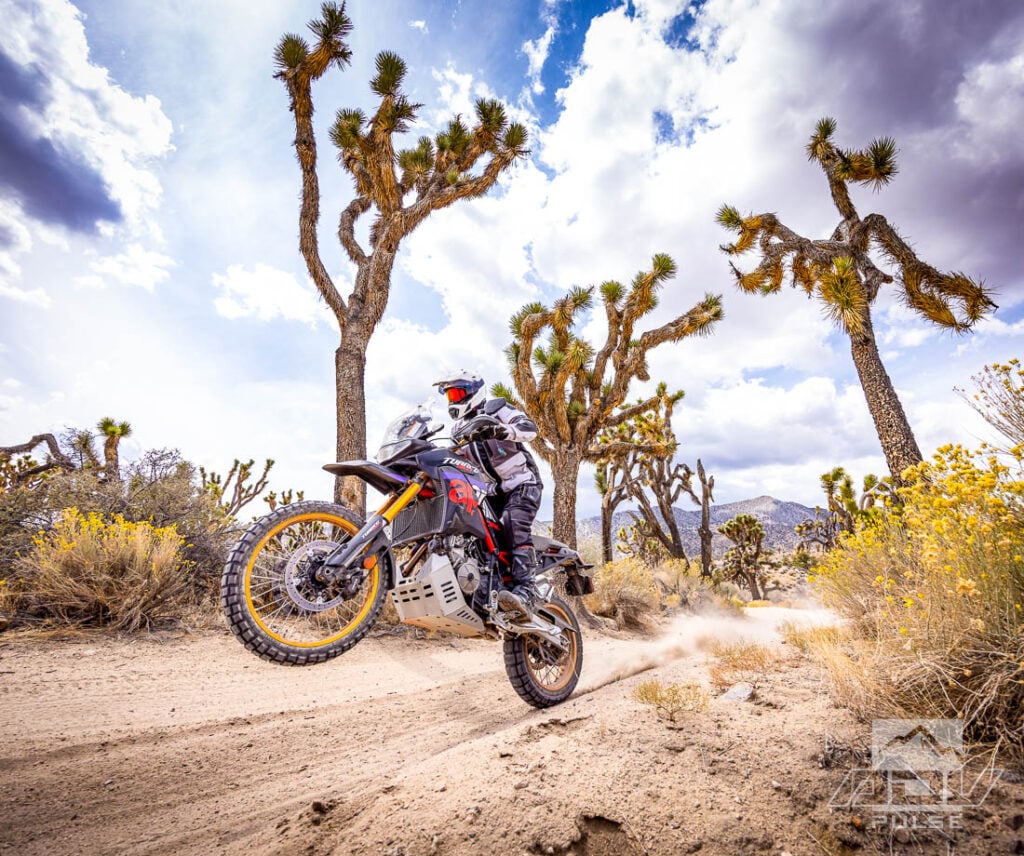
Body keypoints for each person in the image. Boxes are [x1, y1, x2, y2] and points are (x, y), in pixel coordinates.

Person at [435, 371, 542, 620]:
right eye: (450, 395)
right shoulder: (458, 429)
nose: (454, 400)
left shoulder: (498, 411)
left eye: (458, 394)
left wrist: (502, 431)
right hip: (491, 493)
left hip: (522, 484)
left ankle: (527, 589)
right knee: (481, 537)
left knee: (513, 522)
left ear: (475, 392)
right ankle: (491, 592)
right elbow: (454, 457)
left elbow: (529, 428)